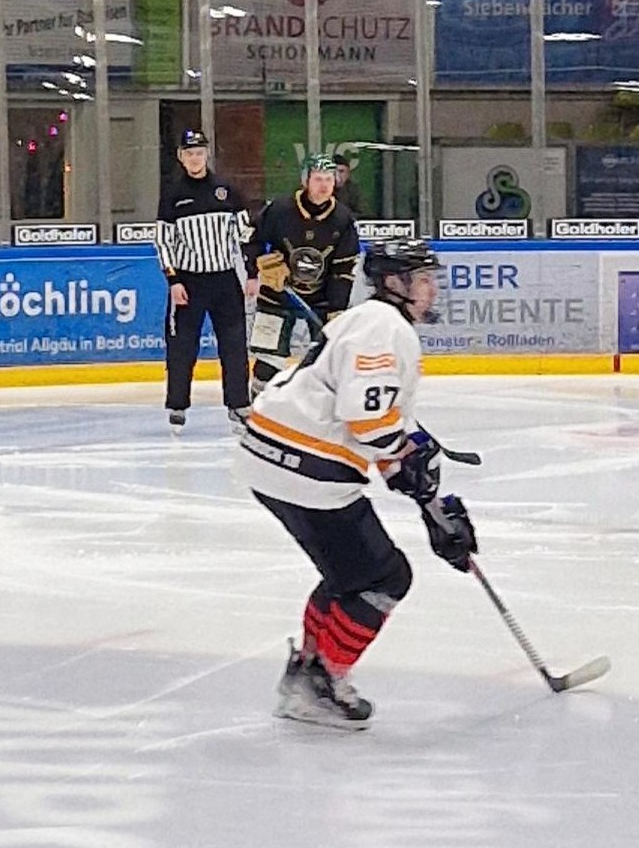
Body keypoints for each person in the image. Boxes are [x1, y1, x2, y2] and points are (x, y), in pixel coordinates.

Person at [238, 238, 474, 728]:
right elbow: (366, 418)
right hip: (305, 465)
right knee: (386, 577)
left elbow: (377, 425)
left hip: (273, 457)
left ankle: (308, 672)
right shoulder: (386, 329)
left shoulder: (368, 320)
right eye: (424, 280)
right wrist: (406, 462)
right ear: (395, 282)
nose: (433, 290)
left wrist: (426, 495)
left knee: (350, 576)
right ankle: (320, 685)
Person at [154, 130, 255, 433]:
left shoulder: (226, 190)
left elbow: (246, 234)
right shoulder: (172, 195)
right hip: (189, 283)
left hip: (225, 281)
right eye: (189, 154)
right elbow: (163, 241)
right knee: (182, 346)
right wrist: (173, 280)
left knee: (234, 345)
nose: (195, 158)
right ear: (180, 157)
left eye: (199, 153)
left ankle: (238, 404)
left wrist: (251, 273)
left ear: (207, 154)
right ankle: (177, 404)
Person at [244, 155, 361, 394]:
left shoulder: (342, 218)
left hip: (322, 298)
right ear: (305, 180)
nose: (324, 185)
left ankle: (316, 413)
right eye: (318, 179)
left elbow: (344, 267)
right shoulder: (280, 209)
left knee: (327, 360)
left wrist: (336, 308)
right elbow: (252, 239)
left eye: (329, 179)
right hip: (277, 294)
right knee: (268, 361)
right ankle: (258, 410)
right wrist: (258, 267)